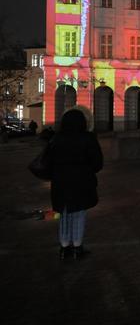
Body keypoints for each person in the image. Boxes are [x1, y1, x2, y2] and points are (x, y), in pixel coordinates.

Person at [44, 108, 103, 260]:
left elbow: (47, 162)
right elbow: (97, 163)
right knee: (78, 213)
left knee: (63, 214)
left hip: (60, 182)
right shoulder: (88, 138)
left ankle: (64, 248)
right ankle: (77, 247)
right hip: (82, 182)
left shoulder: (56, 138)